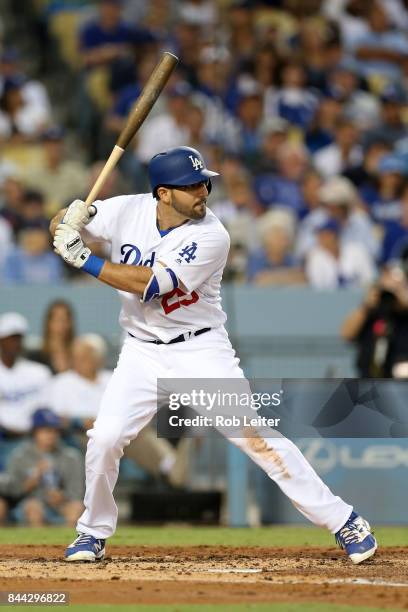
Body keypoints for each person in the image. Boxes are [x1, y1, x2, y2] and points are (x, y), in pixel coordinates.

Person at [50, 145, 377, 564]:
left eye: (204, 182)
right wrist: (67, 219)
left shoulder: (211, 234)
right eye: (191, 186)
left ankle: (345, 520)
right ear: (163, 193)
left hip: (200, 350)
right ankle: (92, 532)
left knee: (254, 437)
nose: (203, 191)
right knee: (106, 437)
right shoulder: (125, 209)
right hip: (141, 351)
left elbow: (151, 284)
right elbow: (59, 225)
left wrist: (83, 257)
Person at [5, 408, 84, 526]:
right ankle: (37, 545)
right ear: (35, 432)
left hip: (62, 504)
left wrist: (63, 496)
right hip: (32, 503)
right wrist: (30, 482)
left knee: (76, 507)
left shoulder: (71, 456)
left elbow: (77, 491)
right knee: (33, 508)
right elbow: (10, 491)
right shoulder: (20, 456)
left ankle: (68, 543)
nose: (51, 435)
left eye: (55, 431)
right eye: (46, 430)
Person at [0, 312, 51, 439]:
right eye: (10, 338)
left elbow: (47, 410)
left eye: (18, 338)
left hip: (34, 438)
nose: (15, 342)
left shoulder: (39, 372)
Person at [28, 300, 76, 374]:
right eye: (58, 319)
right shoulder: (36, 357)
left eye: (66, 320)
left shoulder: (78, 357)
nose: (62, 325)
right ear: (48, 323)